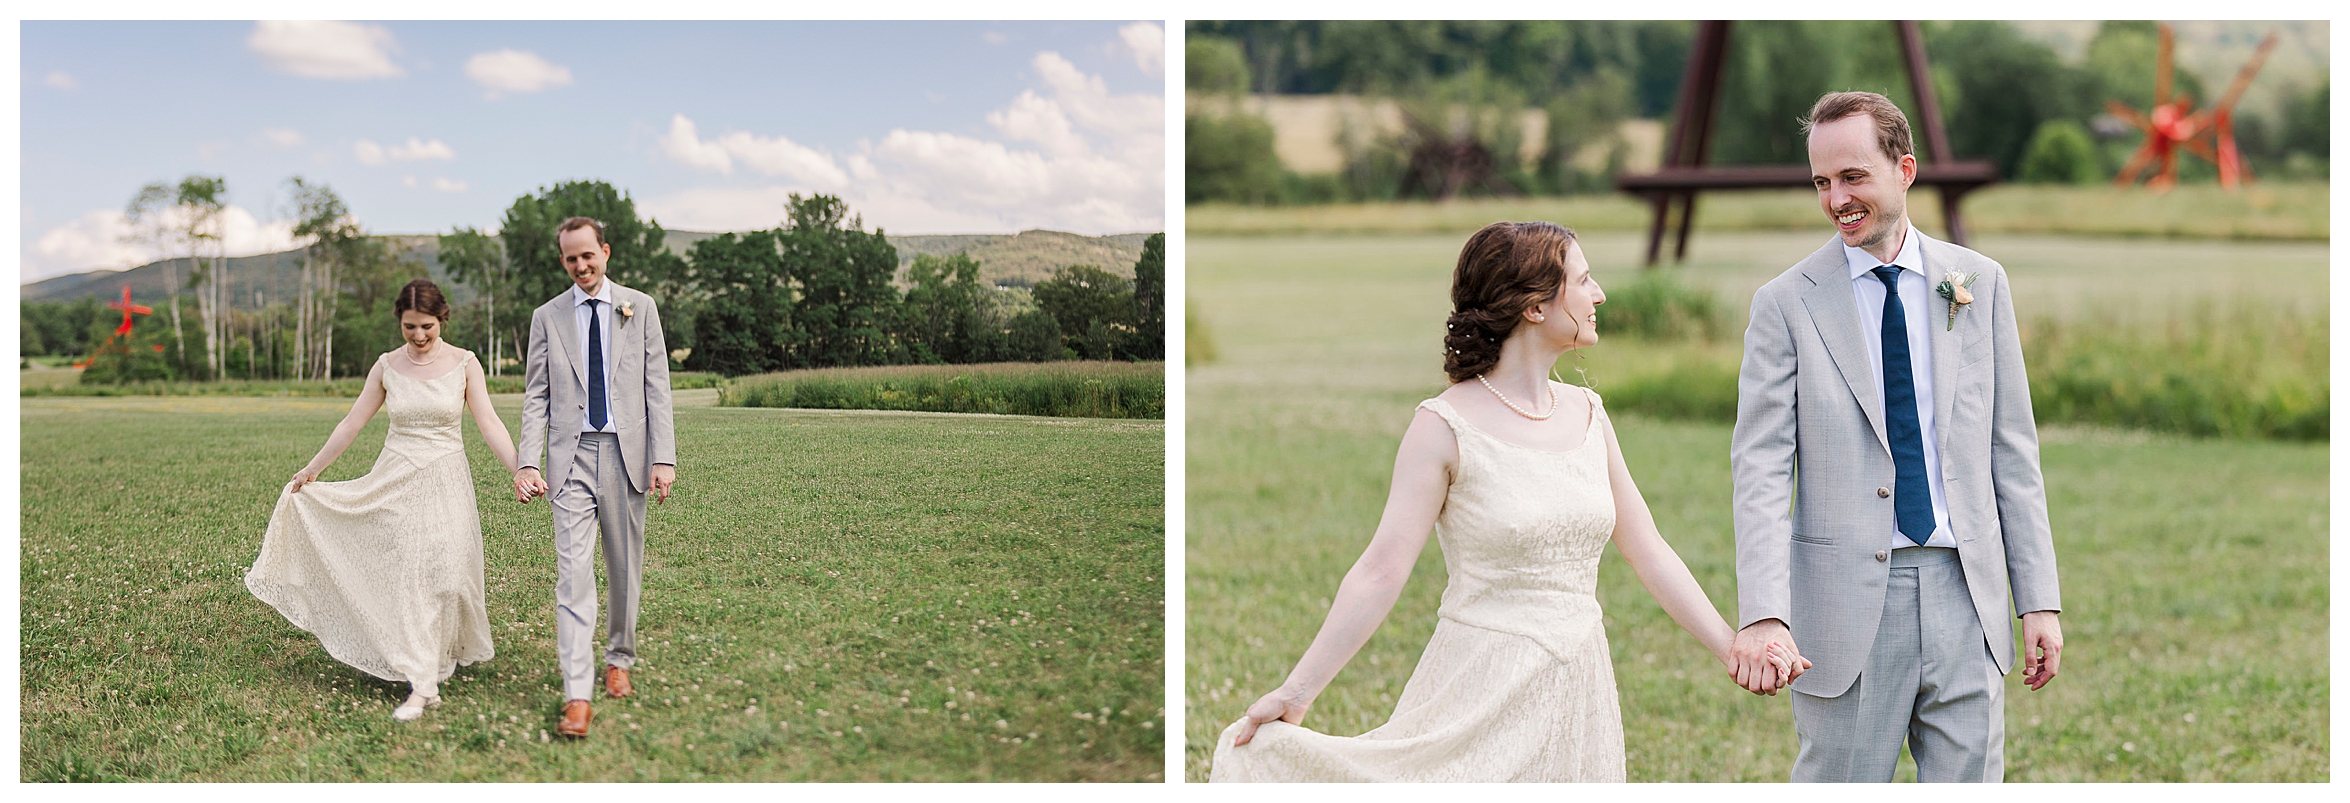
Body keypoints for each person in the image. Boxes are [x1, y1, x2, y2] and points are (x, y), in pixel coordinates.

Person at [1210, 221, 1804, 782]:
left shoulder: (1589, 414)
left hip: (1579, 682)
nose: (1599, 293)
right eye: (1582, 280)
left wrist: (1731, 645)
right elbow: (1380, 570)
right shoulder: (1442, 427)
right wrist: (1298, 690)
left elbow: (1648, 550)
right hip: (1480, 682)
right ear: (1535, 306)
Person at [1727, 90, 2064, 782]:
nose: (1836, 199)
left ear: (1904, 169)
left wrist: (2039, 599)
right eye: (1822, 182)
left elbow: (2013, 454)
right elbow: (1759, 470)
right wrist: (1765, 613)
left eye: (1853, 177)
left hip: (1965, 594)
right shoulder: (1785, 304)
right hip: (1842, 606)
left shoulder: (1981, 284)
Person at [247, 279, 518, 721]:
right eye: (409, 326)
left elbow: (488, 422)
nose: (418, 335)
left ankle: (430, 657)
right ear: (400, 320)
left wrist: (521, 468)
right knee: (409, 576)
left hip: (447, 477)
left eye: (426, 326)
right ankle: (423, 685)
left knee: (448, 575)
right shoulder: (387, 366)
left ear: (441, 319)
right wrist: (313, 469)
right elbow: (352, 423)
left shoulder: (466, 363)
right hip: (394, 479)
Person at [512, 216, 677, 738]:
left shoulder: (640, 307)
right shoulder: (548, 317)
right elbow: (536, 394)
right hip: (570, 459)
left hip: (628, 455)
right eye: (570, 258)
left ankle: (619, 659)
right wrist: (528, 460)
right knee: (573, 575)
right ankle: (577, 693)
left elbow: (658, 387)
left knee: (625, 569)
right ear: (562, 261)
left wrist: (663, 457)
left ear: (605, 251)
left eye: (589, 255)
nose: (581, 266)